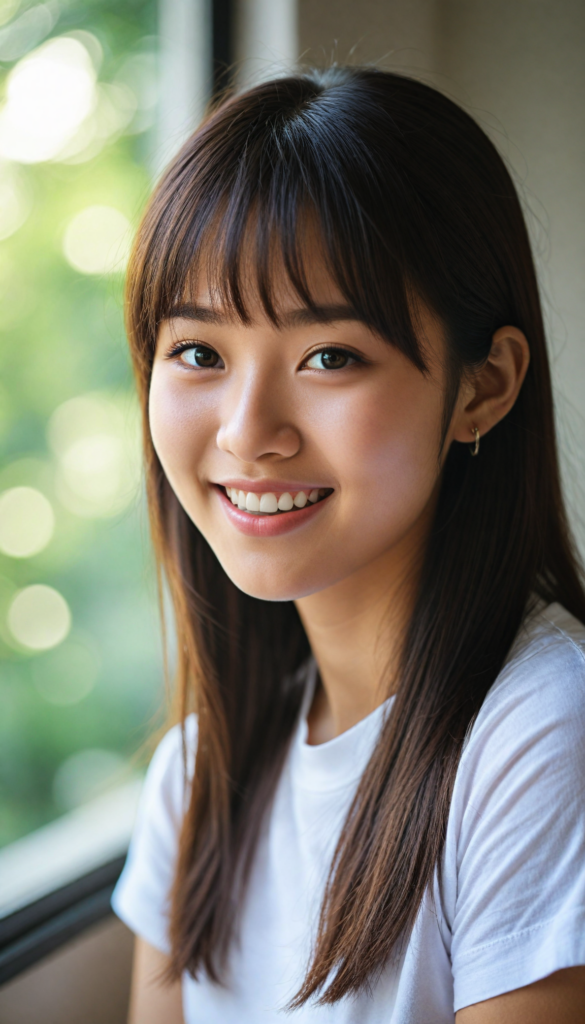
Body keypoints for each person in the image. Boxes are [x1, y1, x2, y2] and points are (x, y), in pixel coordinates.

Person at [111, 67, 585, 1023]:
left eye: (329, 356)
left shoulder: (541, 734)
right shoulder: (197, 777)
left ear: (483, 387)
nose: (248, 431)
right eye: (198, 352)